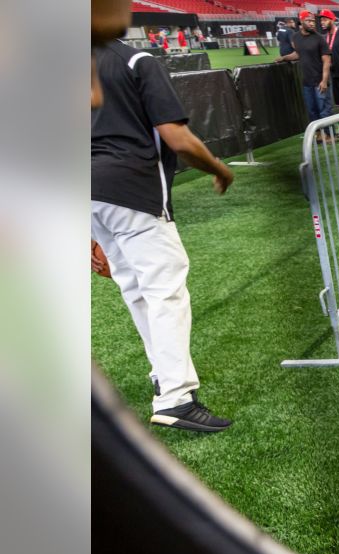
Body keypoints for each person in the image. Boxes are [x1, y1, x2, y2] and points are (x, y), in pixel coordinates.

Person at [91, 39, 236, 433]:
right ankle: (175, 397)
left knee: (136, 288)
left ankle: (163, 375)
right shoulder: (135, 59)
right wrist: (219, 169)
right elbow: (176, 138)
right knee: (165, 289)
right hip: (132, 187)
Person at [275, 11, 333, 144]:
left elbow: (326, 61)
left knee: (324, 110)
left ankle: (329, 135)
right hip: (307, 82)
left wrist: (324, 80)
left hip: (320, 81)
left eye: (313, 21)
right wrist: (284, 58)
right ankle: (319, 135)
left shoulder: (319, 38)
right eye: (309, 21)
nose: (312, 23)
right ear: (301, 22)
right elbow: (298, 54)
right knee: (312, 111)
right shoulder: (295, 37)